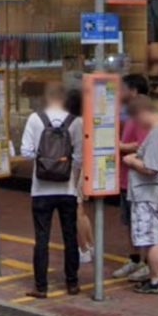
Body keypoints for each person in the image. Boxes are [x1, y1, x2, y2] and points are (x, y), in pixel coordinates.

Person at [20, 83, 83, 299]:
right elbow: (80, 157)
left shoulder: (35, 119)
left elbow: (26, 152)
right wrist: (66, 169)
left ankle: (41, 287)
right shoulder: (76, 122)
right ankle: (72, 283)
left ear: (47, 98)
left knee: (42, 239)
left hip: (40, 190)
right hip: (67, 190)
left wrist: (44, 162)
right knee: (70, 236)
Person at [122, 96, 158, 294]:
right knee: (157, 236)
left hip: (148, 193)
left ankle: (155, 280)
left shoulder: (156, 135)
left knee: (150, 239)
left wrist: (130, 161)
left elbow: (150, 168)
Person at [112, 74, 151, 282]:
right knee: (129, 222)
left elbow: (142, 145)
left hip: (138, 179)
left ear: (134, 91)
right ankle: (135, 260)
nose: (119, 93)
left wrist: (119, 146)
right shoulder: (129, 113)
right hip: (127, 178)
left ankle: (146, 263)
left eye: (123, 89)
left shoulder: (143, 113)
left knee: (140, 222)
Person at [65, 89, 94, 264]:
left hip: (77, 170)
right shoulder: (86, 122)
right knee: (81, 211)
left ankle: (83, 248)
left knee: (76, 211)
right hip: (86, 168)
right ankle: (90, 245)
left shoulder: (74, 123)